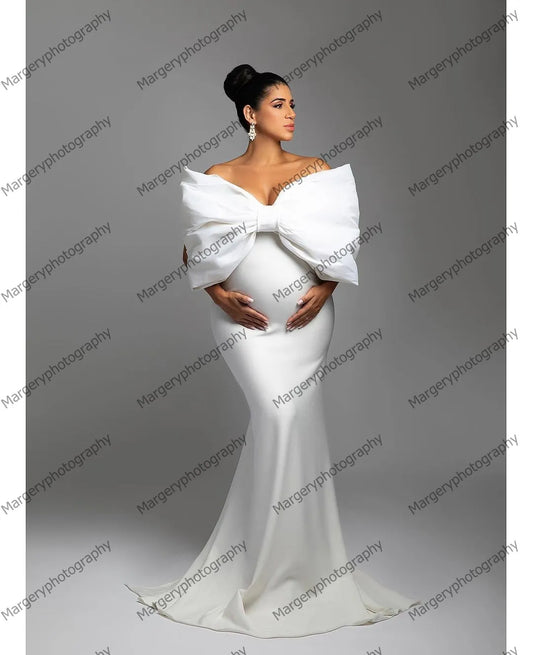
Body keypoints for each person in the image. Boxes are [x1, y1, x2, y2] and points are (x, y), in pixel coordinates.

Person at [126, 63, 420, 638]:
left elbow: (340, 241)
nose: (291, 113)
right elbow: (192, 254)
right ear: (250, 113)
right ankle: (264, 565)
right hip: (243, 326)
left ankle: (300, 565)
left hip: (305, 324)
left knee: (292, 423)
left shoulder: (315, 170)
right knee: (275, 416)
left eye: (293, 104)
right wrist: (220, 297)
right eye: (279, 104)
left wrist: (326, 289)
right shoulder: (219, 176)